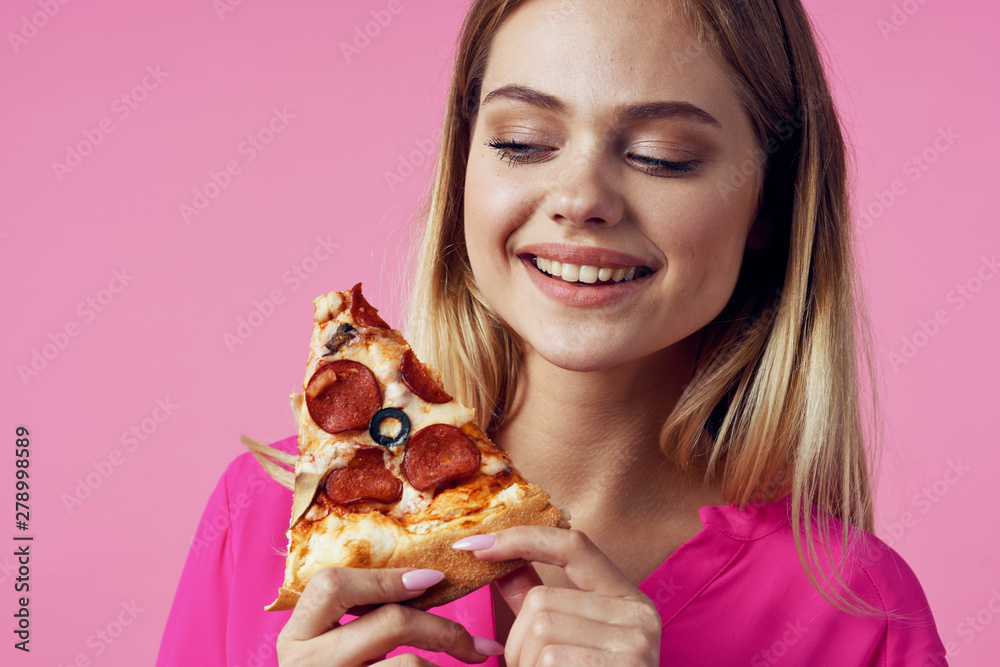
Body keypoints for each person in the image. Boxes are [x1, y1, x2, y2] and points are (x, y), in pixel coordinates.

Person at [157, 0, 949, 665]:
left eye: (662, 156)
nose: (579, 197)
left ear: (769, 202)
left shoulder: (860, 616)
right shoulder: (263, 515)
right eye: (522, 142)